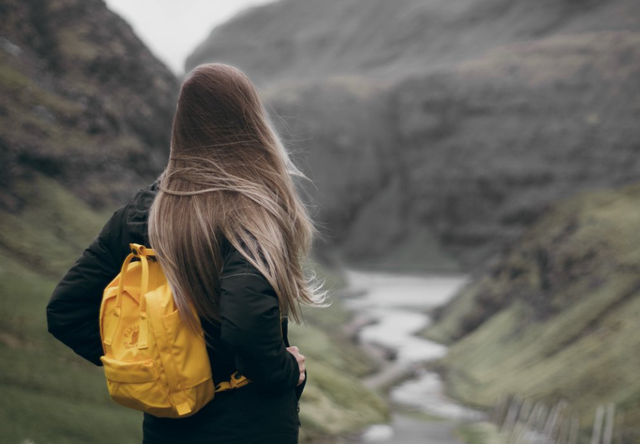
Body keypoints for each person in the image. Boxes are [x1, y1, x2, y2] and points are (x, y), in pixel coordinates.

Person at [46, 63, 328, 444]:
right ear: (251, 123)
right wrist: (285, 370)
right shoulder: (250, 210)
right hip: (250, 426)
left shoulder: (140, 212)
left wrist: (151, 366)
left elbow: (66, 311)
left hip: (168, 427)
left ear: (182, 128)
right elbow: (245, 324)